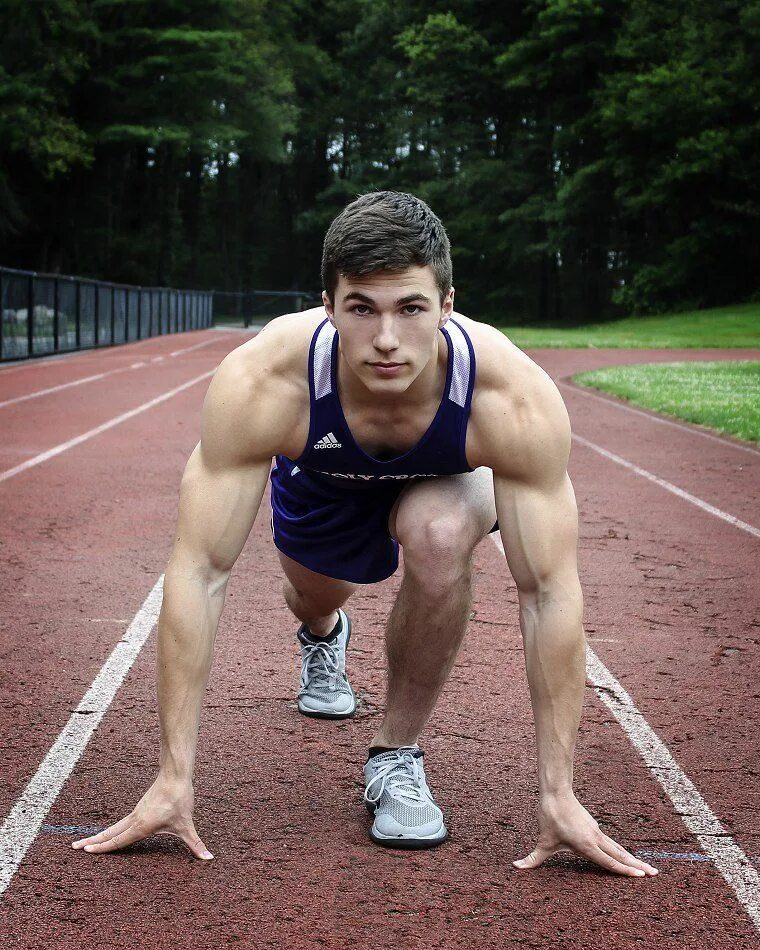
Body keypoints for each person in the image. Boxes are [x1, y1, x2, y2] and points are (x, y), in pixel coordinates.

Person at [73, 191, 657, 876]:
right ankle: (324, 634)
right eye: (362, 309)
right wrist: (174, 777)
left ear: (446, 305)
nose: (386, 339)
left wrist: (559, 792)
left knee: (440, 535)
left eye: (410, 308)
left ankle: (396, 753)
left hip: (441, 475)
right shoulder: (265, 382)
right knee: (316, 596)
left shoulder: (510, 397)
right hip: (321, 477)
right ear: (328, 305)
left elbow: (549, 590)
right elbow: (199, 569)